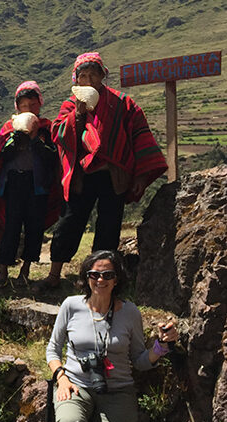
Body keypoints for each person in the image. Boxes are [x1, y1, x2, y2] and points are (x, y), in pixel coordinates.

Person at [45, 250, 178, 422]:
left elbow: (140, 361)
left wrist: (162, 346)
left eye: (107, 274)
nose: (100, 280)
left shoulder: (130, 313)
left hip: (118, 392)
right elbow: (52, 349)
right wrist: (61, 377)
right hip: (76, 384)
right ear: (86, 277)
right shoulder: (71, 306)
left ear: (117, 279)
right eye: (94, 274)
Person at [44, 52, 167, 288]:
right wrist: (78, 115)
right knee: (70, 222)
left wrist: (141, 174)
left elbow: (139, 137)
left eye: (94, 75)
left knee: (109, 226)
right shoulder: (70, 104)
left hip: (114, 175)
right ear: (76, 79)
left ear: (103, 77)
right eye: (83, 76)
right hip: (82, 175)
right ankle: (53, 274)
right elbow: (57, 133)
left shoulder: (122, 103)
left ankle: (98, 276)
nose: (89, 81)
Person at [0, 81, 60, 288]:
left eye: (33, 104)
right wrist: (17, 138)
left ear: (40, 105)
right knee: (10, 227)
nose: (28, 109)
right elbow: (1, 156)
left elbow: (52, 158)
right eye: (24, 105)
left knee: (34, 228)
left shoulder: (46, 129)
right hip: (14, 184)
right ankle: (2, 270)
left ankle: (26, 269)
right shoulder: (9, 129)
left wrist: (36, 138)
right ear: (17, 107)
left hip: (38, 186)